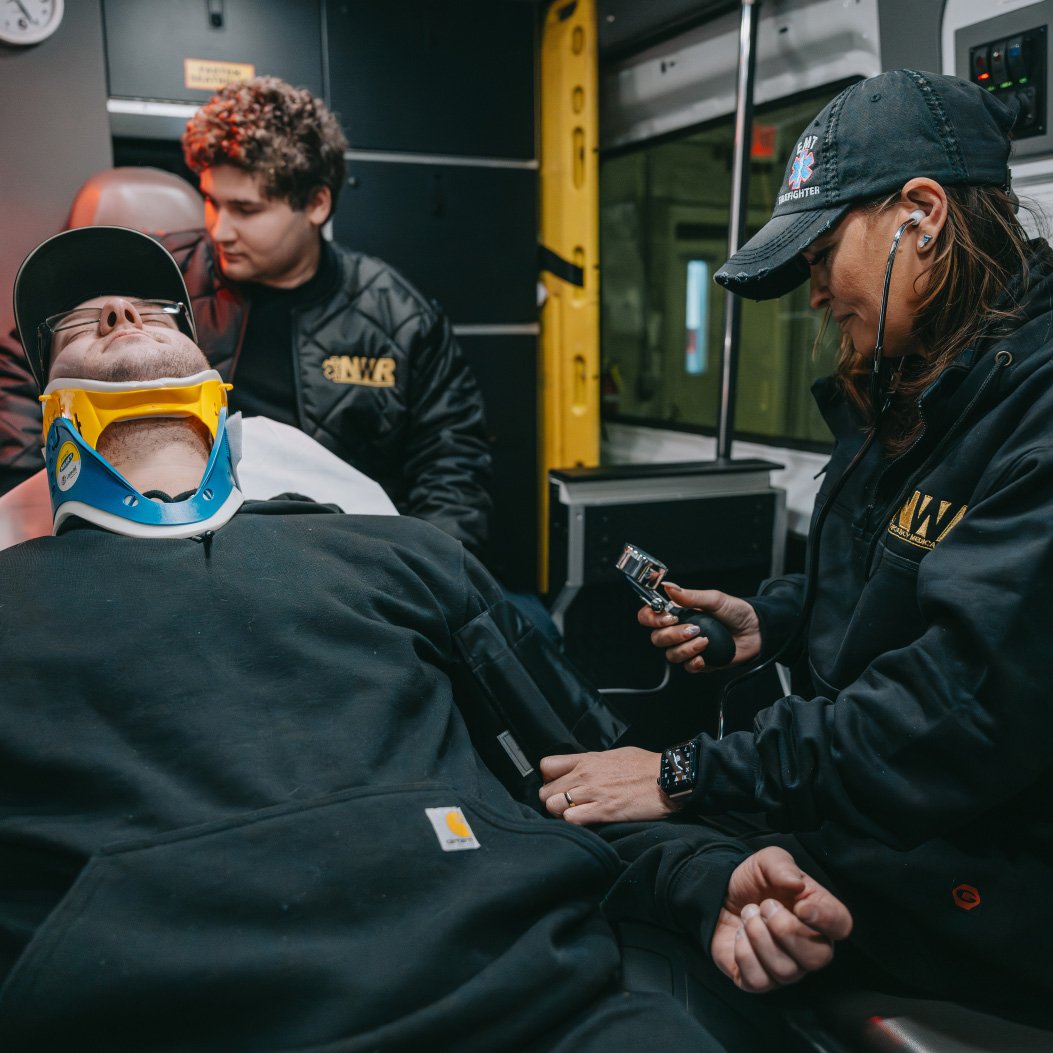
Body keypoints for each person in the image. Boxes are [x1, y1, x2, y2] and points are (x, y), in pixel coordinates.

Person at [0, 224, 851, 1050]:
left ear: (213, 380)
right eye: (82, 320)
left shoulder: (396, 552)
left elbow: (583, 774)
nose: (122, 315)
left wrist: (705, 879)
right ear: (47, 414)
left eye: (153, 309)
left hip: (536, 1010)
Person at [538, 69, 1053, 1022]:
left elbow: (958, 707)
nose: (814, 295)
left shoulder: (1035, 409)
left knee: (603, 879)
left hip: (985, 860)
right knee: (583, 840)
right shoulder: (911, 385)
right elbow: (886, 583)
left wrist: (687, 772)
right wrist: (767, 621)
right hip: (875, 804)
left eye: (820, 256)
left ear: (921, 214)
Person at [0, 75, 492, 556]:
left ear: (317, 203)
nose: (220, 229)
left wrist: (427, 576)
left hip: (338, 558)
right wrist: (44, 508)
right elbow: (39, 353)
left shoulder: (399, 318)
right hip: (165, 543)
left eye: (246, 209)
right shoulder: (162, 283)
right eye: (211, 201)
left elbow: (452, 468)